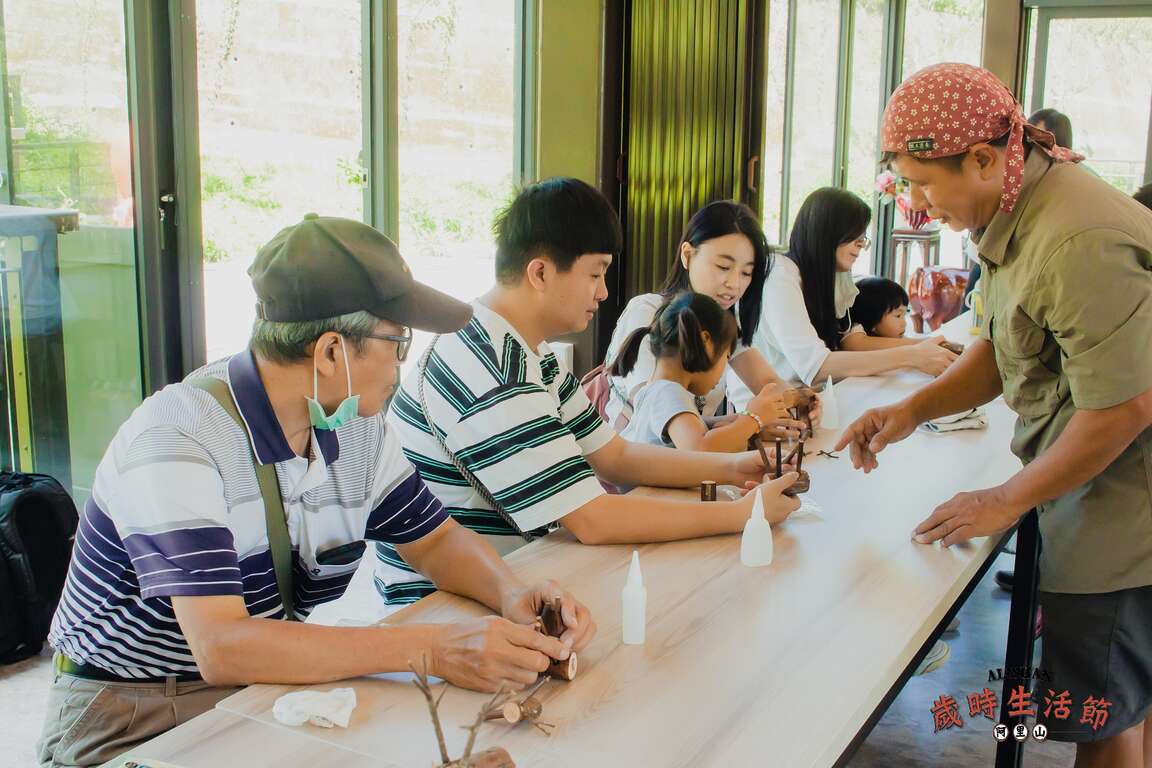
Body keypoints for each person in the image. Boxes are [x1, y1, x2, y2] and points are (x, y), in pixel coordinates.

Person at [37, 216, 597, 768]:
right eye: (397, 343)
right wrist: (432, 648)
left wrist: (511, 592)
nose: (401, 366)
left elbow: (434, 540)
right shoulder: (178, 439)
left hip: (253, 688)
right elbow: (221, 646)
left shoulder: (352, 426)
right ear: (332, 352)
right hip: (133, 710)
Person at [837, 63, 1152, 765]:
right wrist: (911, 411)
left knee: (1107, 724)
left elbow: (1123, 406)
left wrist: (1004, 499)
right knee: (1125, 707)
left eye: (923, 183)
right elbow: (1003, 344)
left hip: (1126, 518)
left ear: (983, 158)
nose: (915, 206)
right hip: (1104, 500)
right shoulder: (1021, 209)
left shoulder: (1074, 239)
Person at [380, 178, 799, 603]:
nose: (603, 292)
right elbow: (593, 519)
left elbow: (616, 457)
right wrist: (742, 513)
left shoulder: (524, 349)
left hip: (520, 575)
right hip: (448, 603)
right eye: (596, 274)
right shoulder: (494, 369)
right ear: (540, 272)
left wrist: (734, 467)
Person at [730, 188, 956, 408]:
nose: (861, 244)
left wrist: (926, 347)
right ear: (827, 232)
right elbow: (816, 367)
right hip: (770, 407)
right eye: (855, 235)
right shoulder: (780, 275)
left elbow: (853, 341)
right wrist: (912, 356)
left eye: (863, 237)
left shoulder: (833, 276)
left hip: (813, 399)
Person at [604, 200, 804, 433]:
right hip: (640, 452)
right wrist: (749, 423)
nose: (734, 284)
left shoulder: (723, 325)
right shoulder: (647, 311)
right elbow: (658, 414)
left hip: (690, 451)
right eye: (723, 267)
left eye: (746, 272)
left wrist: (802, 402)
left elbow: (770, 385)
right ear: (687, 255)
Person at [614, 292, 792, 453]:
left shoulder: (655, 390)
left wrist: (747, 427)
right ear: (706, 342)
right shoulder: (667, 392)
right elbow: (700, 448)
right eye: (726, 356)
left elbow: (696, 426)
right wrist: (753, 418)